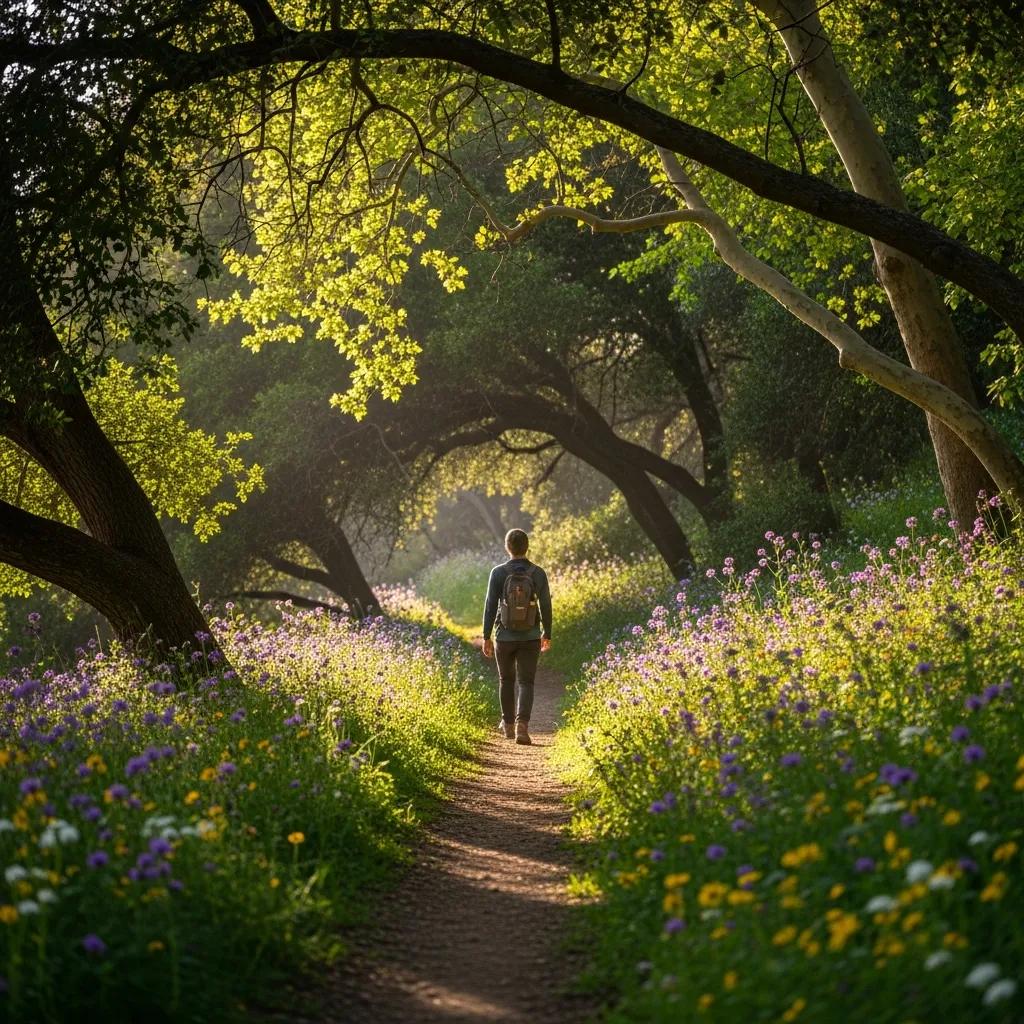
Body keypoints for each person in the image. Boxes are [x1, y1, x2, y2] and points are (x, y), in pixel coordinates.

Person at [481, 528, 552, 745]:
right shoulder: (538, 573)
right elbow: (546, 605)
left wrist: (486, 636)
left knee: (506, 680)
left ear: (507, 547)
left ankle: (508, 726)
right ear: (527, 547)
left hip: (504, 637)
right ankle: (523, 725)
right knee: (526, 681)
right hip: (530, 636)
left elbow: (490, 605)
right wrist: (546, 633)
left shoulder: (498, 572)